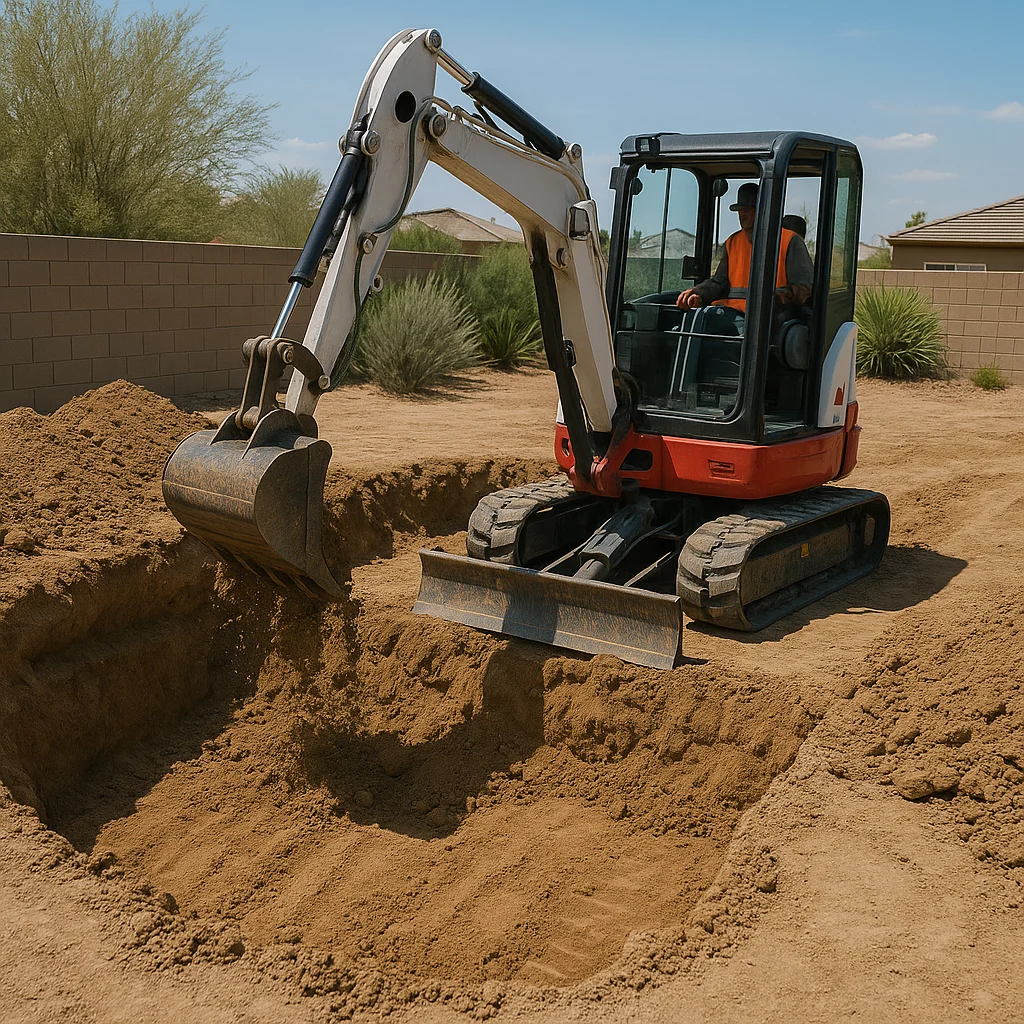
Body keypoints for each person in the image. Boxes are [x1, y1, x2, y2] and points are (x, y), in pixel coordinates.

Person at [677, 183, 813, 311]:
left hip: (768, 316)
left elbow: (804, 288)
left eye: (747, 209)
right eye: (739, 210)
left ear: (762, 209)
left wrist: (777, 298)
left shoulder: (789, 240)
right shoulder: (732, 242)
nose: (742, 214)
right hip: (731, 313)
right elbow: (720, 282)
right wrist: (699, 293)